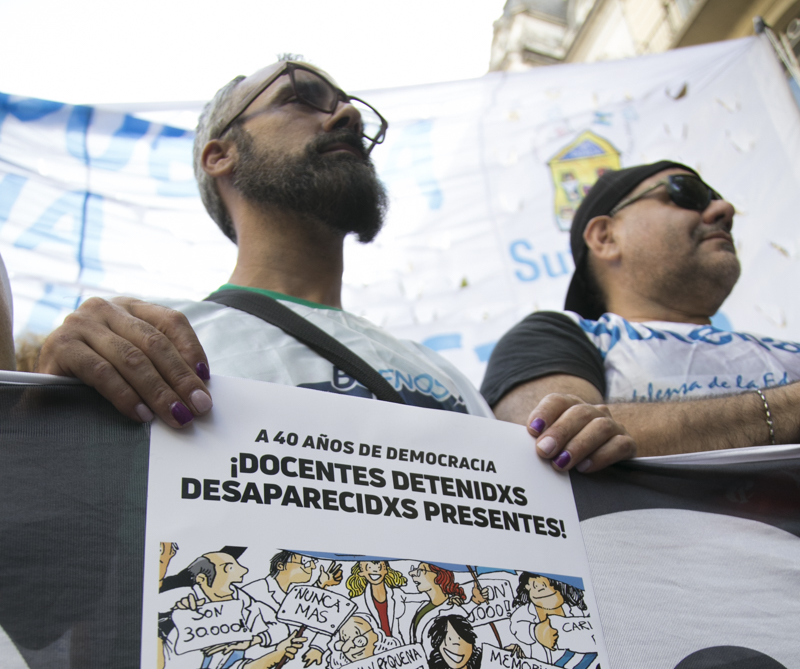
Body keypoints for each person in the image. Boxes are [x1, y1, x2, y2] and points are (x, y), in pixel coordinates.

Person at [33, 60, 633, 473]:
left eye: (351, 108)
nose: (347, 116)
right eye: (300, 97)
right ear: (220, 155)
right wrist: (42, 409)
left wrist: (583, 455)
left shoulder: (447, 378)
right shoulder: (150, 345)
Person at [483, 161, 800, 460]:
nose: (724, 210)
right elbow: (547, 447)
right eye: (685, 192)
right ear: (606, 237)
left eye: (717, 199)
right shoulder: (558, 335)